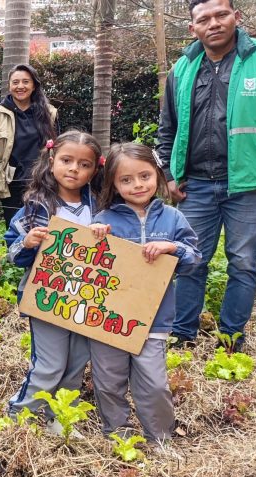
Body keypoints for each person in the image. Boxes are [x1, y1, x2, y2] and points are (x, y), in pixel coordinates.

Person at [157, 0, 256, 352]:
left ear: (236, 18)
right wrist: (168, 172)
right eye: (204, 19)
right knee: (190, 260)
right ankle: (183, 337)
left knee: (242, 263)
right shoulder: (182, 68)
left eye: (221, 15)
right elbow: (168, 128)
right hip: (194, 184)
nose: (213, 23)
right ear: (192, 27)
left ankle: (230, 338)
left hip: (249, 184)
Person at [90, 143, 201, 444]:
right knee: (108, 381)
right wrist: (96, 237)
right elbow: (88, 264)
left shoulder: (173, 219)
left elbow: (194, 259)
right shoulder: (102, 220)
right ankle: (119, 435)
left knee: (153, 384)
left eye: (144, 176)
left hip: (154, 319)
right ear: (112, 183)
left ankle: (160, 438)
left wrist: (173, 248)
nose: (137, 185)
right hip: (107, 319)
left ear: (158, 175)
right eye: (126, 180)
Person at [4, 131, 101, 434]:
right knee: (49, 364)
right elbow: (12, 252)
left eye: (84, 164)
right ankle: (17, 417)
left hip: (86, 297)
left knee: (77, 362)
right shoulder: (36, 206)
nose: (74, 169)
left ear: (95, 170)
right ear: (51, 159)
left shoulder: (98, 206)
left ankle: (59, 416)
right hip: (47, 296)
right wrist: (27, 242)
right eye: (67, 160)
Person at [0, 64, 59, 229]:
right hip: (12, 182)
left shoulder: (49, 113)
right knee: (14, 228)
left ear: (34, 85)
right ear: (9, 85)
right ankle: (15, 255)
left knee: (44, 228)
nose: (20, 86)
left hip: (42, 180)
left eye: (26, 81)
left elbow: (57, 145)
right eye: (15, 82)